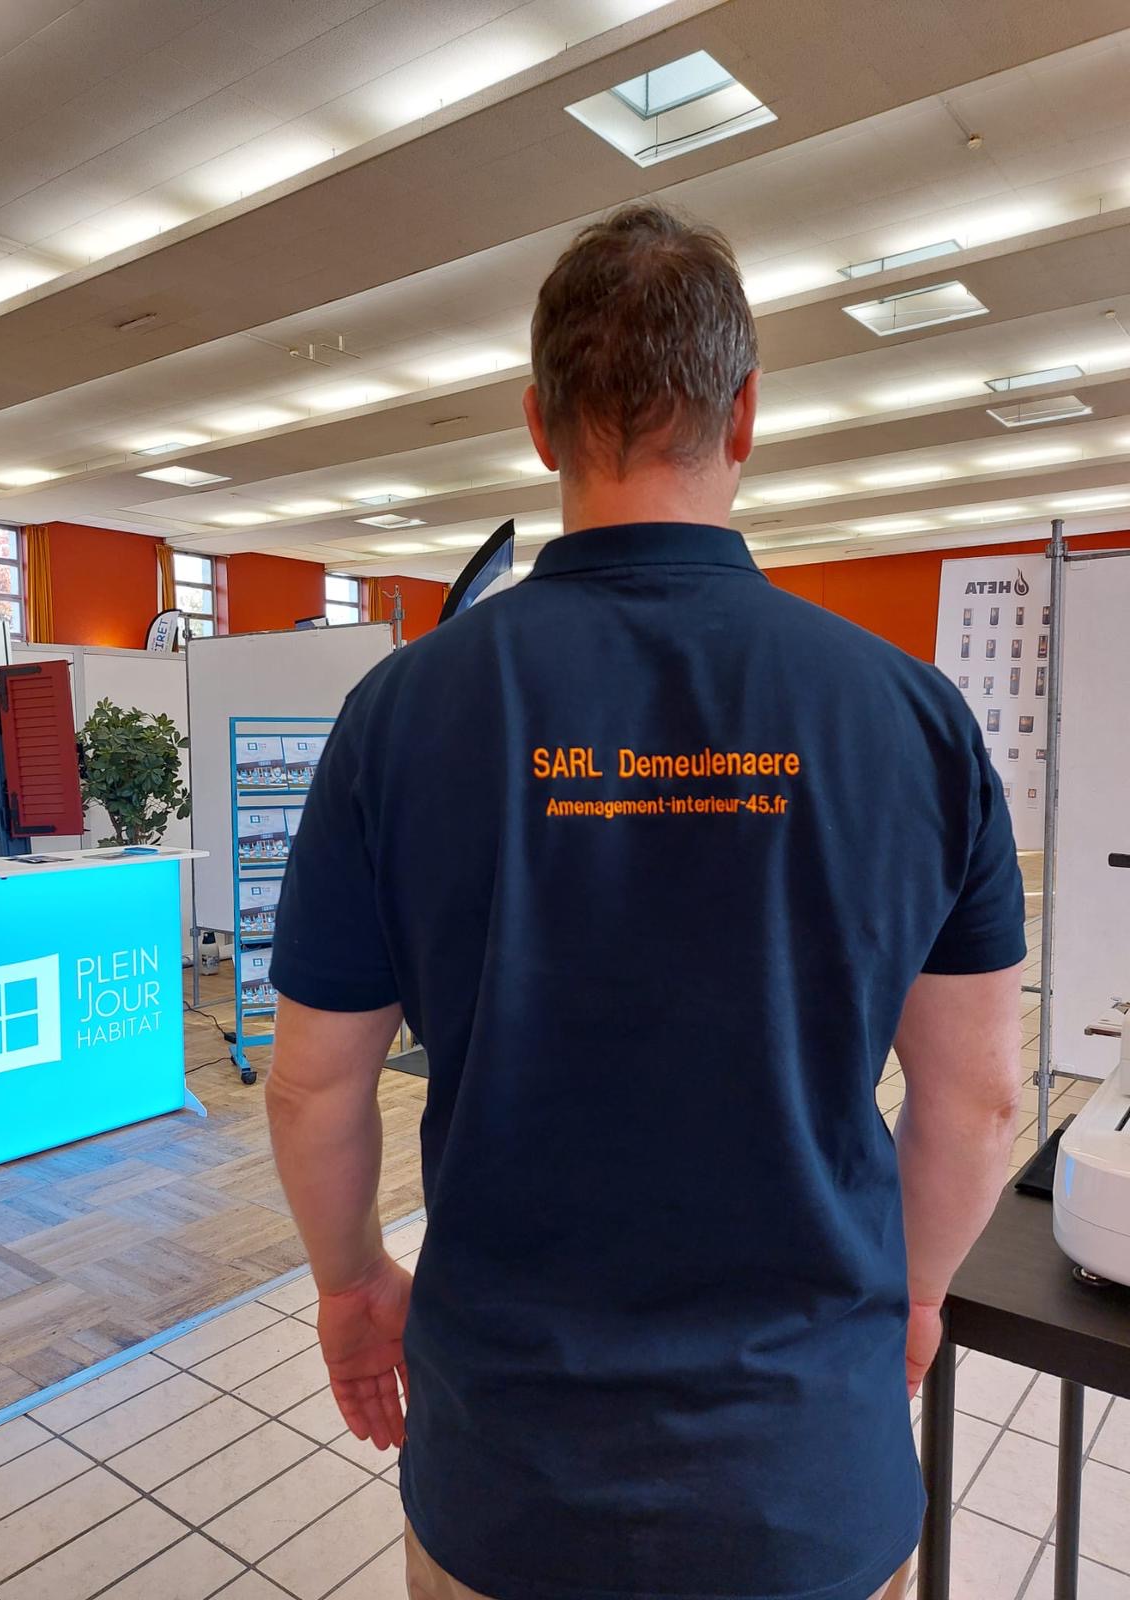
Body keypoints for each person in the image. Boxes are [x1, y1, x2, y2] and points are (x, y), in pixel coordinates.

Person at [266, 203, 1025, 1600]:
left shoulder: (400, 717)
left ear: (539, 424)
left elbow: (313, 1086)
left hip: (510, 1478)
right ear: (746, 415)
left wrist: (353, 1281)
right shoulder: (912, 719)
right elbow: (977, 1102)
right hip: (808, 1475)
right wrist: (909, 1299)